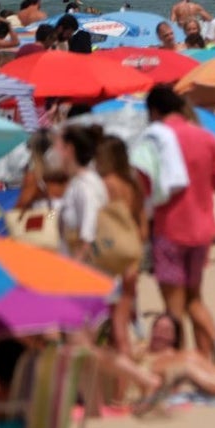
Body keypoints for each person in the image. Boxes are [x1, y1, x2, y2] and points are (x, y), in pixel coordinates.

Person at [145, 86, 215, 358]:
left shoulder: (156, 140)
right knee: (195, 300)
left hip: (170, 229)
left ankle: (181, 367)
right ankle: (210, 357)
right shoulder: (207, 138)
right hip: (202, 230)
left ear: (154, 111)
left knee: (173, 310)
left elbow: (146, 187)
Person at [95, 135, 148, 375]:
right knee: (123, 319)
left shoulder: (104, 184)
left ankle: (123, 382)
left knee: (112, 325)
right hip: (131, 254)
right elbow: (143, 226)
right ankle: (127, 374)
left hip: (109, 257)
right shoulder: (133, 184)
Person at [55, 125, 108, 260]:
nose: (54, 153)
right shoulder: (75, 183)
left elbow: (88, 238)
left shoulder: (85, 186)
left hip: (85, 273)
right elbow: (59, 213)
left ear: (69, 149)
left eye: (57, 147)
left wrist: (72, 274)